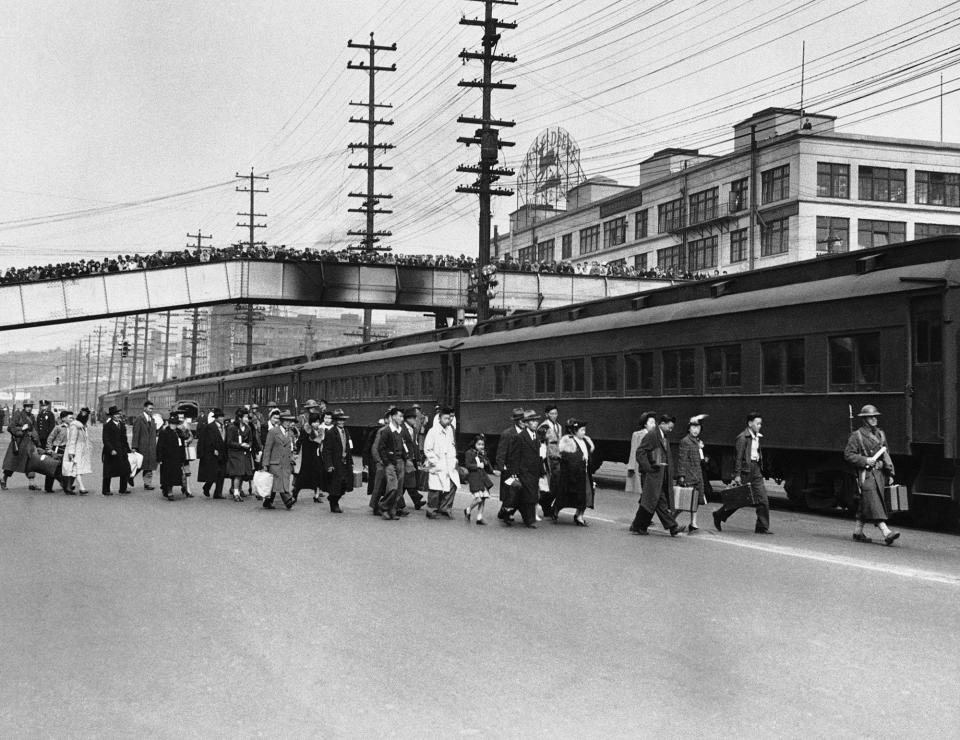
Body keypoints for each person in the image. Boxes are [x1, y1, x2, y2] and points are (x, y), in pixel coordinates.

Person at [844, 404, 901, 546]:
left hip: (879, 474)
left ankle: (858, 532)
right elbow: (848, 454)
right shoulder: (856, 436)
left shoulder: (880, 434)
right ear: (864, 419)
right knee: (873, 501)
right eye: (871, 417)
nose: (874, 419)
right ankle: (886, 532)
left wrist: (890, 471)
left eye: (875, 416)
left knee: (866, 502)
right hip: (866, 474)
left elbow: (885, 454)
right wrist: (864, 460)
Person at [712, 412, 772, 535]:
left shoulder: (757, 436)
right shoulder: (742, 438)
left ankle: (761, 526)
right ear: (750, 424)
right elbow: (738, 458)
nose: (760, 426)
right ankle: (719, 515)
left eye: (761, 423)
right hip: (745, 471)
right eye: (757, 423)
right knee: (738, 500)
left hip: (756, 470)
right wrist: (737, 475)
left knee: (763, 499)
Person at [630, 414, 682, 537]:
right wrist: (648, 468)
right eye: (669, 427)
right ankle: (673, 527)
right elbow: (640, 452)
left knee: (653, 502)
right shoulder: (653, 435)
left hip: (660, 476)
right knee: (656, 501)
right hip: (653, 476)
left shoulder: (663, 436)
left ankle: (638, 526)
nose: (671, 430)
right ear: (662, 424)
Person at [503, 409, 543, 528]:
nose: (535, 423)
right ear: (526, 423)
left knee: (526, 496)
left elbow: (538, 456)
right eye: (532, 421)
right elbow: (514, 457)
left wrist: (541, 471)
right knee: (529, 496)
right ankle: (529, 520)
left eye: (536, 421)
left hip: (533, 472)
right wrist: (514, 473)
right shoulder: (520, 437)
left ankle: (506, 512)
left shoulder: (536, 437)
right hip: (523, 472)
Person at [553, 419, 598, 526]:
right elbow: (567, 459)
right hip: (571, 475)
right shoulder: (568, 442)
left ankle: (580, 515)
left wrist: (587, 463)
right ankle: (556, 509)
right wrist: (579, 460)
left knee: (586, 495)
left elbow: (589, 457)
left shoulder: (586, 442)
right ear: (574, 431)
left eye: (584, 430)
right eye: (582, 430)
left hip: (584, 474)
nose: (584, 432)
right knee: (566, 495)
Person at [423, 406, 461, 520]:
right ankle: (431, 510)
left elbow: (452, 445)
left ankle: (445, 508)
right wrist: (435, 461)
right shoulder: (433, 431)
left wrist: (454, 459)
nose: (448, 421)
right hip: (438, 463)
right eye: (445, 418)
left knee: (452, 485)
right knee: (435, 488)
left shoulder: (449, 430)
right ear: (439, 418)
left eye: (449, 418)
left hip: (449, 463)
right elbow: (427, 449)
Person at [677, 416, 707, 533]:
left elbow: (701, 459)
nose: (696, 430)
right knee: (684, 501)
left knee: (695, 500)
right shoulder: (685, 441)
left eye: (698, 427)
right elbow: (682, 460)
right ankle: (670, 520)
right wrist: (681, 476)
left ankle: (693, 522)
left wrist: (701, 450)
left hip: (697, 474)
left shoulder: (697, 441)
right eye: (693, 427)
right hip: (689, 475)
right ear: (689, 428)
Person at [376, 406, 407, 520]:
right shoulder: (387, 431)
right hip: (390, 462)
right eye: (400, 416)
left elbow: (403, 445)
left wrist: (405, 457)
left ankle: (392, 511)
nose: (402, 419)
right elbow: (381, 448)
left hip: (400, 462)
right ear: (393, 417)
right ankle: (383, 506)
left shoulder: (401, 430)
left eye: (402, 416)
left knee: (398, 490)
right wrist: (386, 462)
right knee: (393, 487)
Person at [495, 408, 526, 524]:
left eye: (525, 419)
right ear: (516, 421)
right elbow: (501, 451)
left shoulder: (526, 433)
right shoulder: (507, 433)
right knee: (510, 491)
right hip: (509, 468)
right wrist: (500, 467)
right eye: (521, 420)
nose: (524, 422)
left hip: (522, 468)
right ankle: (507, 513)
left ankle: (506, 511)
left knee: (517, 491)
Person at [1, 400, 40, 491]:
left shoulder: (32, 417)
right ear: (24, 406)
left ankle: (32, 483)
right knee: (12, 463)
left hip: (28, 443)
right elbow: (10, 428)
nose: (29, 408)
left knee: (31, 462)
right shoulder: (18, 414)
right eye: (27, 406)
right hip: (18, 442)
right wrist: (21, 428)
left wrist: (37, 442)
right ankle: (4, 479)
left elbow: (34, 430)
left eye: (31, 406)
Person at [322, 409, 354, 514]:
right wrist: (329, 465)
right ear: (335, 421)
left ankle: (332, 498)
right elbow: (327, 450)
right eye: (339, 420)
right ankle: (334, 504)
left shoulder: (346, 431)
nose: (341, 422)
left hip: (345, 462)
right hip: (336, 463)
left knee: (345, 484)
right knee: (337, 484)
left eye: (343, 420)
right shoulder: (331, 432)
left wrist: (351, 461)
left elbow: (348, 447)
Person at [261, 411, 296, 510]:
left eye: (290, 421)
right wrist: (265, 464)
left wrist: (292, 459)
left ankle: (268, 501)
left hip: (286, 463)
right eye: (286, 421)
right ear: (281, 421)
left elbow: (291, 448)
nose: (288, 423)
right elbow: (267, 448)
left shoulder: (290, 433)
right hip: (275, 462)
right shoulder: (273, 432)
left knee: (276, 484)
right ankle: (287, 500)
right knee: (278, 481)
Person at [226, 407, 257, 502]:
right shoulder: (232, 428)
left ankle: (238, 490)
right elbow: (229, 442)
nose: (247, 419)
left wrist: (249, 445)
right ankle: (236, 493)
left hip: (245, 453)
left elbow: (251, 440)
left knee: (243, 474)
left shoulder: (248, 428)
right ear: (240, 418)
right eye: (245, 417)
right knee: (237, 474)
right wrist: (240, 445)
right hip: (235, 454)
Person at [537, 405, 562, 519]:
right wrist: (542, 459)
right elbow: (541, 444)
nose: (554, 416)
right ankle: (546, 506)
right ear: (546, 414)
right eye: (552, 413)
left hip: (557, 457)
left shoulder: (559, 426)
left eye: (556, 413)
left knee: (556, 484)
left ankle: (547, 505)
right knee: (549, 484)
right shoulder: (543, 427)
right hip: (548, 458)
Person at [626, 411, 657, 501]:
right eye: (651, 422)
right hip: (641, 467)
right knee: (644, 490)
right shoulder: (637, 435)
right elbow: (633, 450)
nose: (654, 425)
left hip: (651, 466)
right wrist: (631, 467)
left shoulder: (656, 435)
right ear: (645, 424)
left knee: (648, 492)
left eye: (654, 422)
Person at [463, 434, 494, 524]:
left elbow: (488, 464)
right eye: (479, 444)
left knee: (483, 498)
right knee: (478, 498)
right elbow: (468, 465)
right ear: (474, 444)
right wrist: (477, 465)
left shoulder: (482, 454)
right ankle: (468, 509)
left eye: (482, 444)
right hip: (474, 478)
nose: (481, 446)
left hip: (482, 478)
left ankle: (479, 517)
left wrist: (491, 468)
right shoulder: (469, 453)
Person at [101, 405, 131, 495]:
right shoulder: (107, 426)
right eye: (116, 414)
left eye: (118, 414)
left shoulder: (122, 425)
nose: (118, 416)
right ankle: (106, 490)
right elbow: (105, 439)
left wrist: (128, 450)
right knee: (108, 472)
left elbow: (124, 439)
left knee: (125, 470)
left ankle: (123, 489)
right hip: (111, 452)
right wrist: (111, 450)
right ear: (112, 416)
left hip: (122, 451)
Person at [295, 413, 325, 503]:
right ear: (311, 422)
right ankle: (295, 493)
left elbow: (321, 443)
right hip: (307, 457)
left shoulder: (320, 431)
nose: (316, 424)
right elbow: (299, 442)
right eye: (314, 422)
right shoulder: (305, 430)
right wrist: (296, 452)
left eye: (318, 422)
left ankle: (316, 495)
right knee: (303, 476)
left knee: (318, 475)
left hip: (317, 456)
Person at [157, 413, 187, 500]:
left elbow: (182, 446)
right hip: (167, 458)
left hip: (177, 458)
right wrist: (159, 458)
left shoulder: (179, 432)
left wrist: (183, 457)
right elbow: (159, 446)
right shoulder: (164, 432)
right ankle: (169, 491)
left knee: (176, 475)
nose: (174, 425)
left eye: (175, 424)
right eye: (172, 423)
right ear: (169, 423)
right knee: (168, 476)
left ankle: (168, 489)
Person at [198, 408, 227, 498]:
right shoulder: (210, 427)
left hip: (223, 452)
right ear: (216, 418)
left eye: (222, 416)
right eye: (220, 417)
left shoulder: (224, 427)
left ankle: (218, 493)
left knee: (221, 473)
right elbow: (207, 441)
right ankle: (207, 487)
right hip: (213, 454)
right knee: (213, 473)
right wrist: (212, 449)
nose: (222, 418)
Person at [63, 408, 92, 494]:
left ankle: (68, 487)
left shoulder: (80, 426)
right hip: (76, 449)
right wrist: (71, 451)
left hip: (80, 450)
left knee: (74, 469)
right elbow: (72, 439)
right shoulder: (75, 426)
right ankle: (81, 488)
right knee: (76, 468)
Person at [401, 408, 425, 510]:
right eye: (413, 418)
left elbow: (416, 444)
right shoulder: (402, 429)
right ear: (407, 419)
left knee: (409, 481)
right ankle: (416, 500)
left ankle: (416, 500)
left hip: (413, 458)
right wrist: (406, 457)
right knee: (409, 481)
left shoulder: (414, 429)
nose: (415, 419)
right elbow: (402, 444)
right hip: (407, 459)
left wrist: (418, 458)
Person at [131, 401, 158, 490]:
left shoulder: (152, 419)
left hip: (151, 446)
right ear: (144, 408)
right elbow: (136, 433)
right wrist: (134, 446)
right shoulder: (139, 419)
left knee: (149, 466)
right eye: (150, 408)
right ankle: (130, 477)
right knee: (140, 465)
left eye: (152, 409)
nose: (151, 410)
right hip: (142, 446)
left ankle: (147, 483)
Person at [43, 410, 72, 492]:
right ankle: (48, 487)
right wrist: (49, 449)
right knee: (52, 468)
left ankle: (66, 486)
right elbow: (50, 438)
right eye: (69, 418)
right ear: (63, 419)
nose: (71, 419)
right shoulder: (58, 428)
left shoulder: (72, 428)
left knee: (65, 468)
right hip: (58, 449)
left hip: (67, 450)